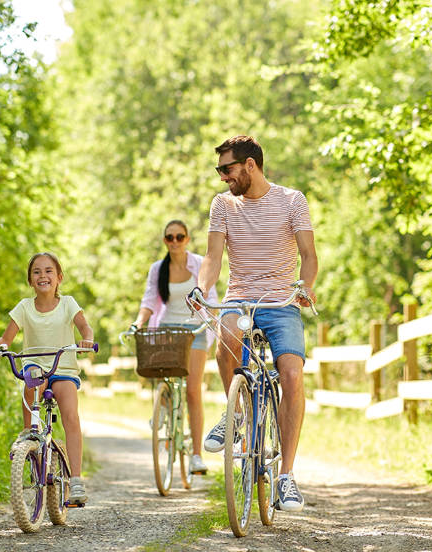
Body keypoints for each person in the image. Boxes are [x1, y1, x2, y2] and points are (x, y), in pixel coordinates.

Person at [190, 135, 318, 512]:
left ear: (250, 165)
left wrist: (304, 288)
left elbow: (309, 255)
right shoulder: (223, 205)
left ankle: (287, 477)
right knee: (225, 335)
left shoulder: (292, 200)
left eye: (227, 169)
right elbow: (213, 257)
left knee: (292, 374)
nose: (223, 178)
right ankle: (239, 412)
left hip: (282, 302)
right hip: (240, 297)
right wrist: (202, 288)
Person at [0, 252, 95, 505]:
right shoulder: (23, 307)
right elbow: (5, 339)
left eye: (48, 271)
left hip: (62, 366)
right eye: (36, 272)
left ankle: (75, 480)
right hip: (36, 364)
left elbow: (85, 327)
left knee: (70, 414)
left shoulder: (68, 303)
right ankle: (28, 436)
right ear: (30, 280)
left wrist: (86, 338)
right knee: (31, 382)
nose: (43, 275)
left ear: (59, 278)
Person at [131, 220, 219, 476]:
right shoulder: (158, 269)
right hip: (167, 328)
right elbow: (149, 299)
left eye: (180, 237)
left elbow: (211, 298)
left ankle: (196, 456)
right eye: (170, 237)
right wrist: (139, 322)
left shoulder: (199, 264)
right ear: (165, 241)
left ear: (187, 239)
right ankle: (164, 410)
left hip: (194, 331)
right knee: (162, 376)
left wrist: (213, 319)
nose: (175, 242)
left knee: (193, 390)